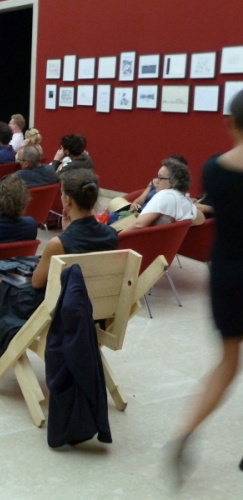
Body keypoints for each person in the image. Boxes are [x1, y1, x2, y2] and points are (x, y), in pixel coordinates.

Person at [0, 168, 118, 368]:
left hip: (58, 307)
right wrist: (67, 232)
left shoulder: (58, 243)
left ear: (68, 201)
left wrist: (64, 238)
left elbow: (38, 282)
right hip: (93, 306)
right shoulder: (111, 235)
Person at [171, 89, 243, 485]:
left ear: (230, 123)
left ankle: (186, 431)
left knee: (227, 363)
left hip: (226, 275)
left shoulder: (214, 169)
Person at [0, 145, 57, 221]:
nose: (18, 161)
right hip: (38, 210)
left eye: (19, 159)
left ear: (26, 163)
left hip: (13, 209)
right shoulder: (51, 171)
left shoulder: (19, 176)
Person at [122, 157, 205, 231]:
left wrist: (117, 239)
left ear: (173, 181)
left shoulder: (164, 195)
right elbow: (201, 218)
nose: (156, 181)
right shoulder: (183, 198)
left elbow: (138, 225)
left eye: (160, 177)